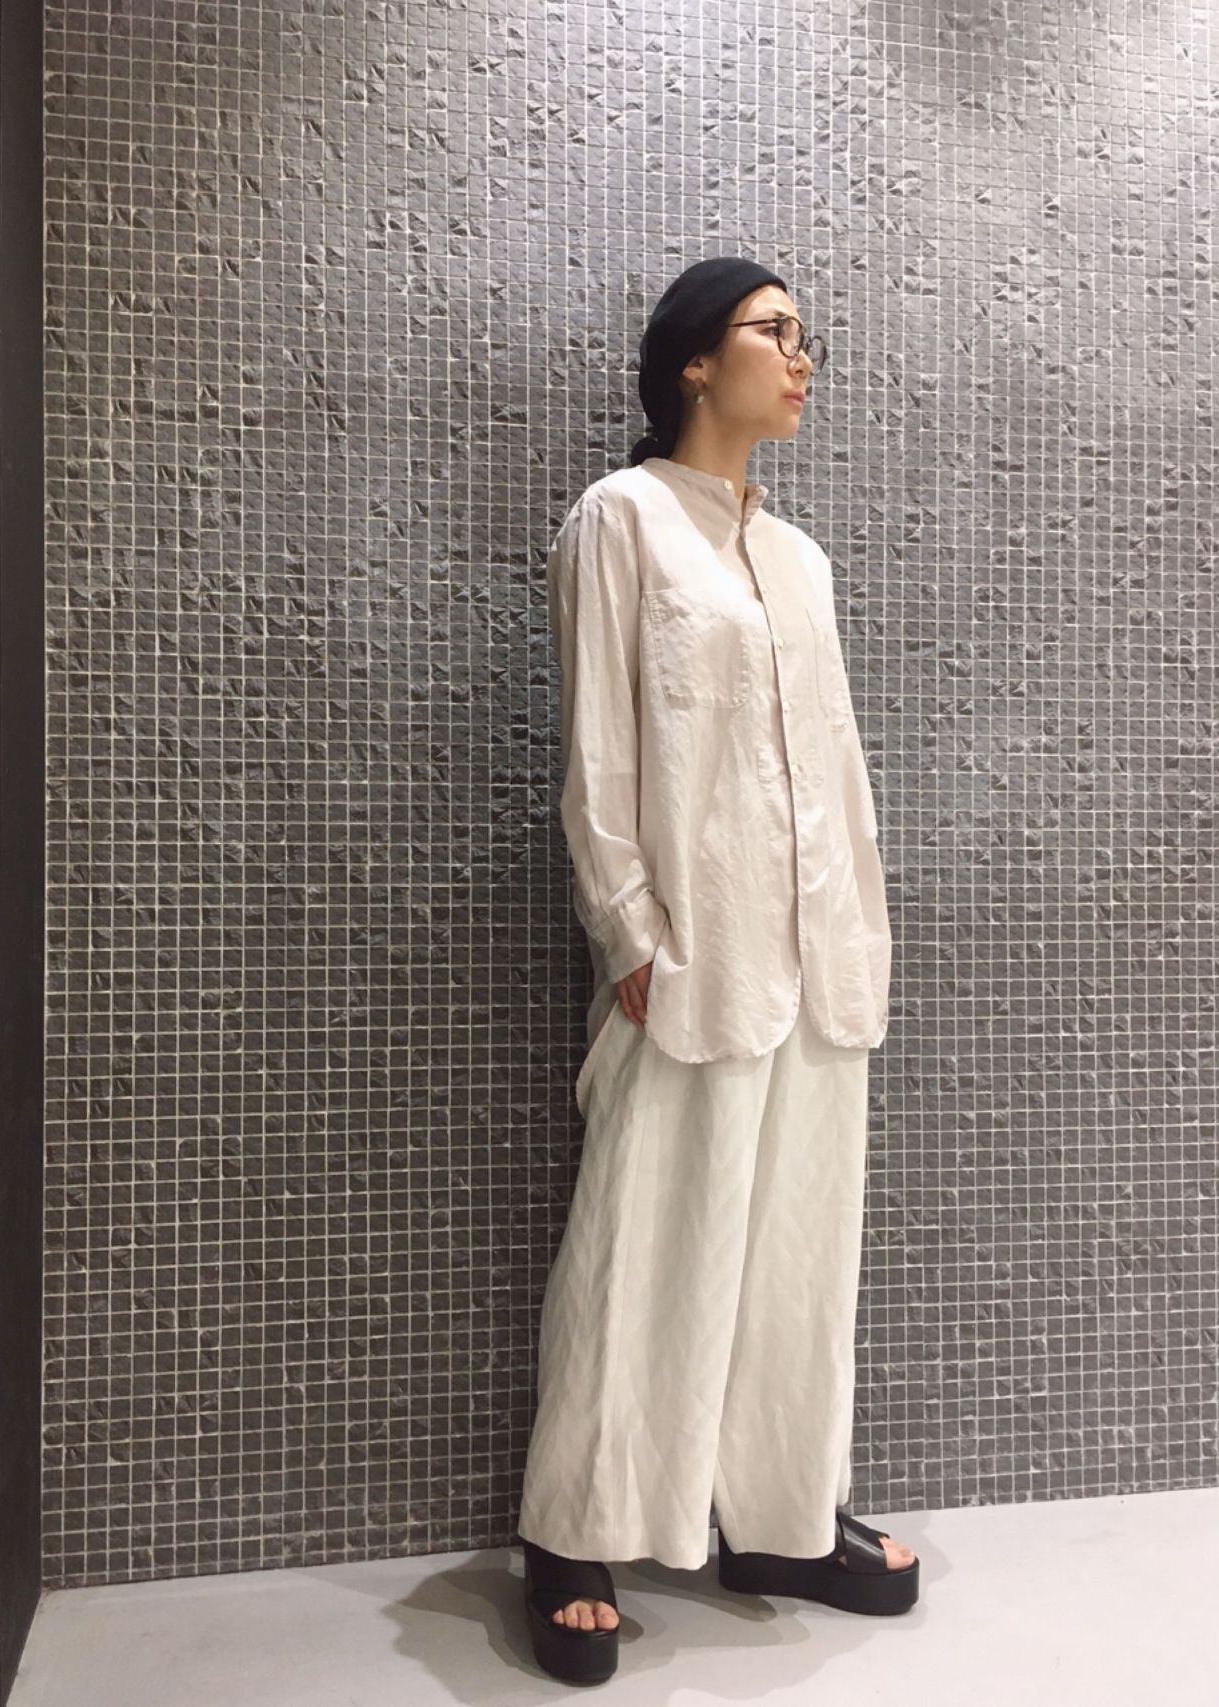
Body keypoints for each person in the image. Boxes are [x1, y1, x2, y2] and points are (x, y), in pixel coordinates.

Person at [516, 257, 919, 1686]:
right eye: (774, 332)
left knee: (801, 1251)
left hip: (817, 956)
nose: (802, 359)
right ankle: (573, 1535)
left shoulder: (801, 561)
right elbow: (599, 749)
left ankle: (779, 1524)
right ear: (695, 359)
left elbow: (838, 771)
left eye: (810, 339)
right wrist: (630, 932)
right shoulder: (621, 520)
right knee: (643, 1240)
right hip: (693, 953)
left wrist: (862, 929)